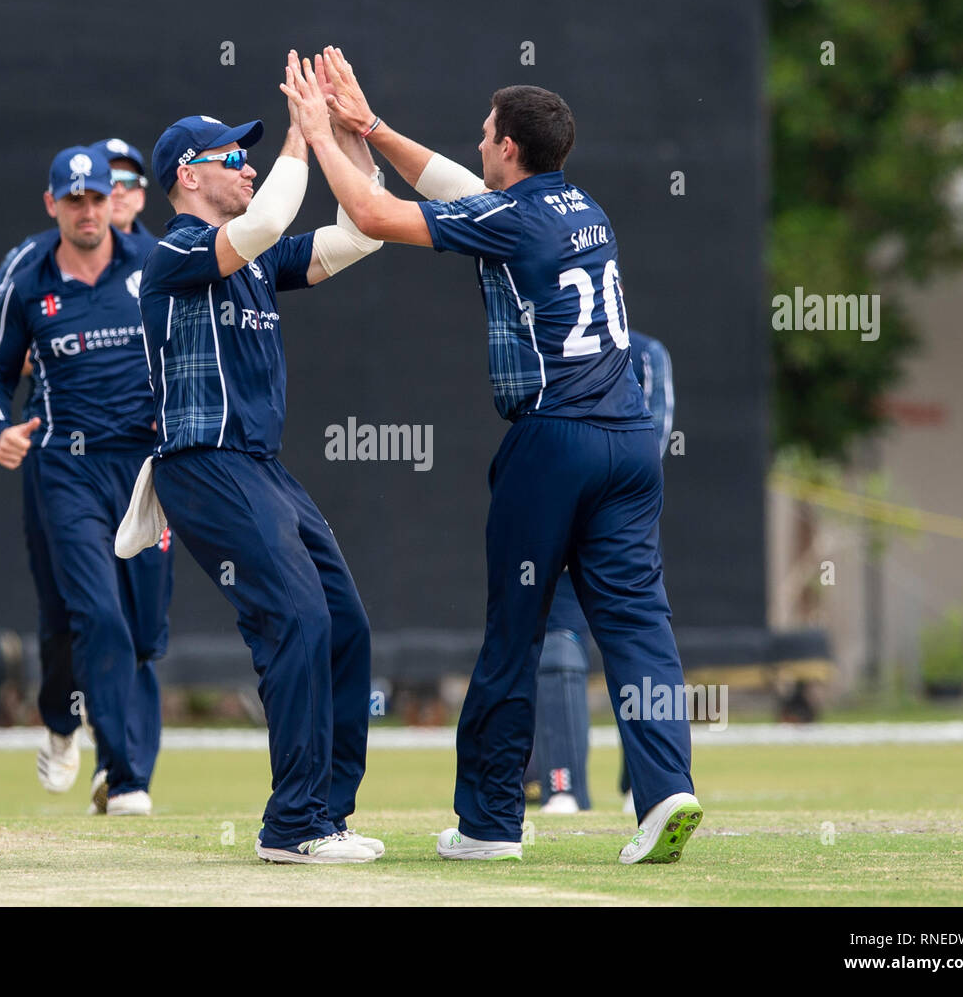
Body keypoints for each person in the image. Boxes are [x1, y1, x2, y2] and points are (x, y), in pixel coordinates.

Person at [283, 48, 701, 864]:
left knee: (516, 630)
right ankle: (666, 791)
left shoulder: (512, 217)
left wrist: (318, 134)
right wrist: (368, 126)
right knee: (641, 625)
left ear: (509, 147)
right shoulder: (583, 207)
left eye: (484, 133)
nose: (477, 143)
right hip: (632, 441)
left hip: (556, 442)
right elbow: (453, 189)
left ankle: (488, 824)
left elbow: (371, 214)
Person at [134, 55, 388, 864]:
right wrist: (300, 137)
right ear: (187, 176)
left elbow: (362, 230)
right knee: (298, 618)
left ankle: (327, 813)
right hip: (203, 464)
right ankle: (294, 826)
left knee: (343, 622)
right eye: (229, 157)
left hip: (259, 466)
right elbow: (271, 221)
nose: (246, 166)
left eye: (250, 155)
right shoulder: (173, 252)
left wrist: (351, 138)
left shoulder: (252, 258)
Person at [0, 146, 173, 816]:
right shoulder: (29, 272)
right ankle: (123, 774)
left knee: (144, 632)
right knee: (90, 614)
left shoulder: (154, 263)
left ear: (122, 197)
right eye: (75, 198)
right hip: (64, 466)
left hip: (146, 469)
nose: (90, 209)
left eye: (100, 196)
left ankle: (107, 749)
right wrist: (0, 427)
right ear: (53, 202)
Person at [528, 331, 674, 815]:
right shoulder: (542, 346)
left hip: (615, 521)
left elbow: (652, 441)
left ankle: (649, 786)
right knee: (561, 643)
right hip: (571, 514)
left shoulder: (645, 354)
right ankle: (563, 787)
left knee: (635, 639)